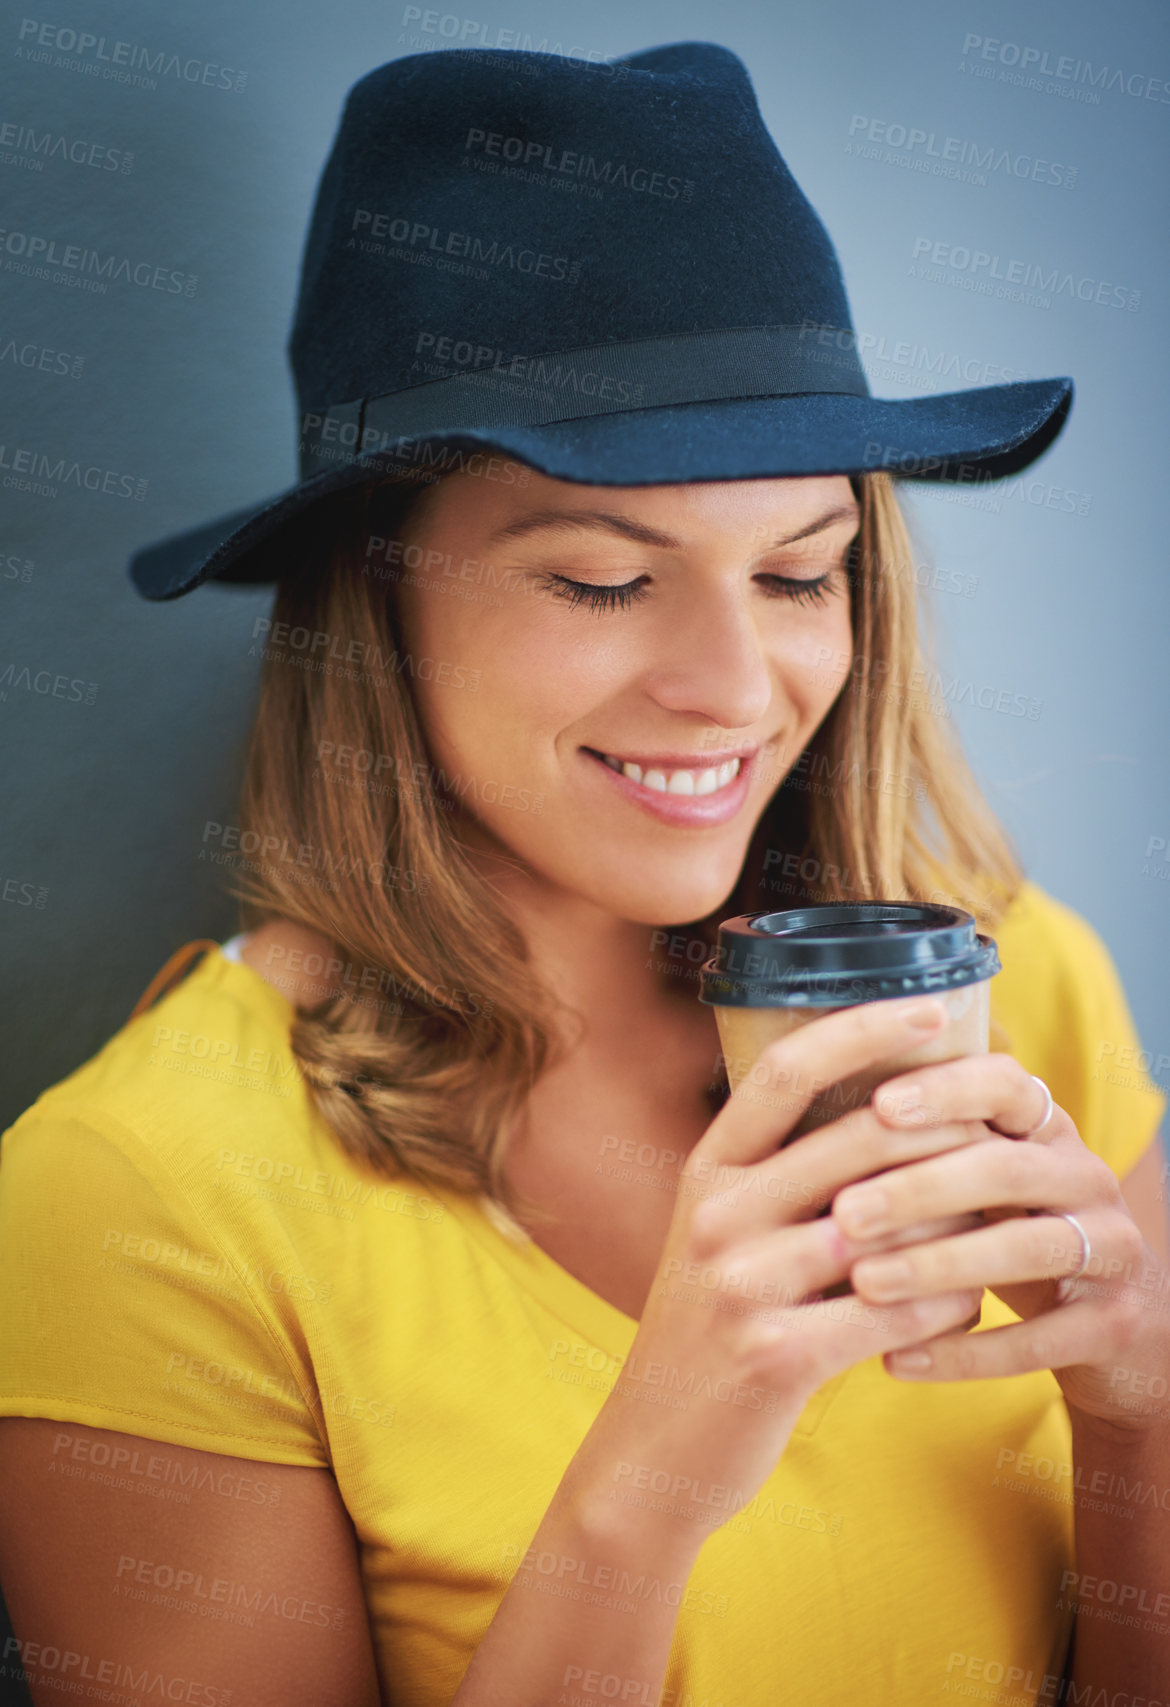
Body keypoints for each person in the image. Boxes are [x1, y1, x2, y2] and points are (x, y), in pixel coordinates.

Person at [1, 40, 1167, 1707]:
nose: (731, 684)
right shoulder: (137, 1195)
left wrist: (1144, 1405)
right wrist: (645, 1490)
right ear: (378, 594)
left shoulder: (1011, 983)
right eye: (606, 582)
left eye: (796, 573)